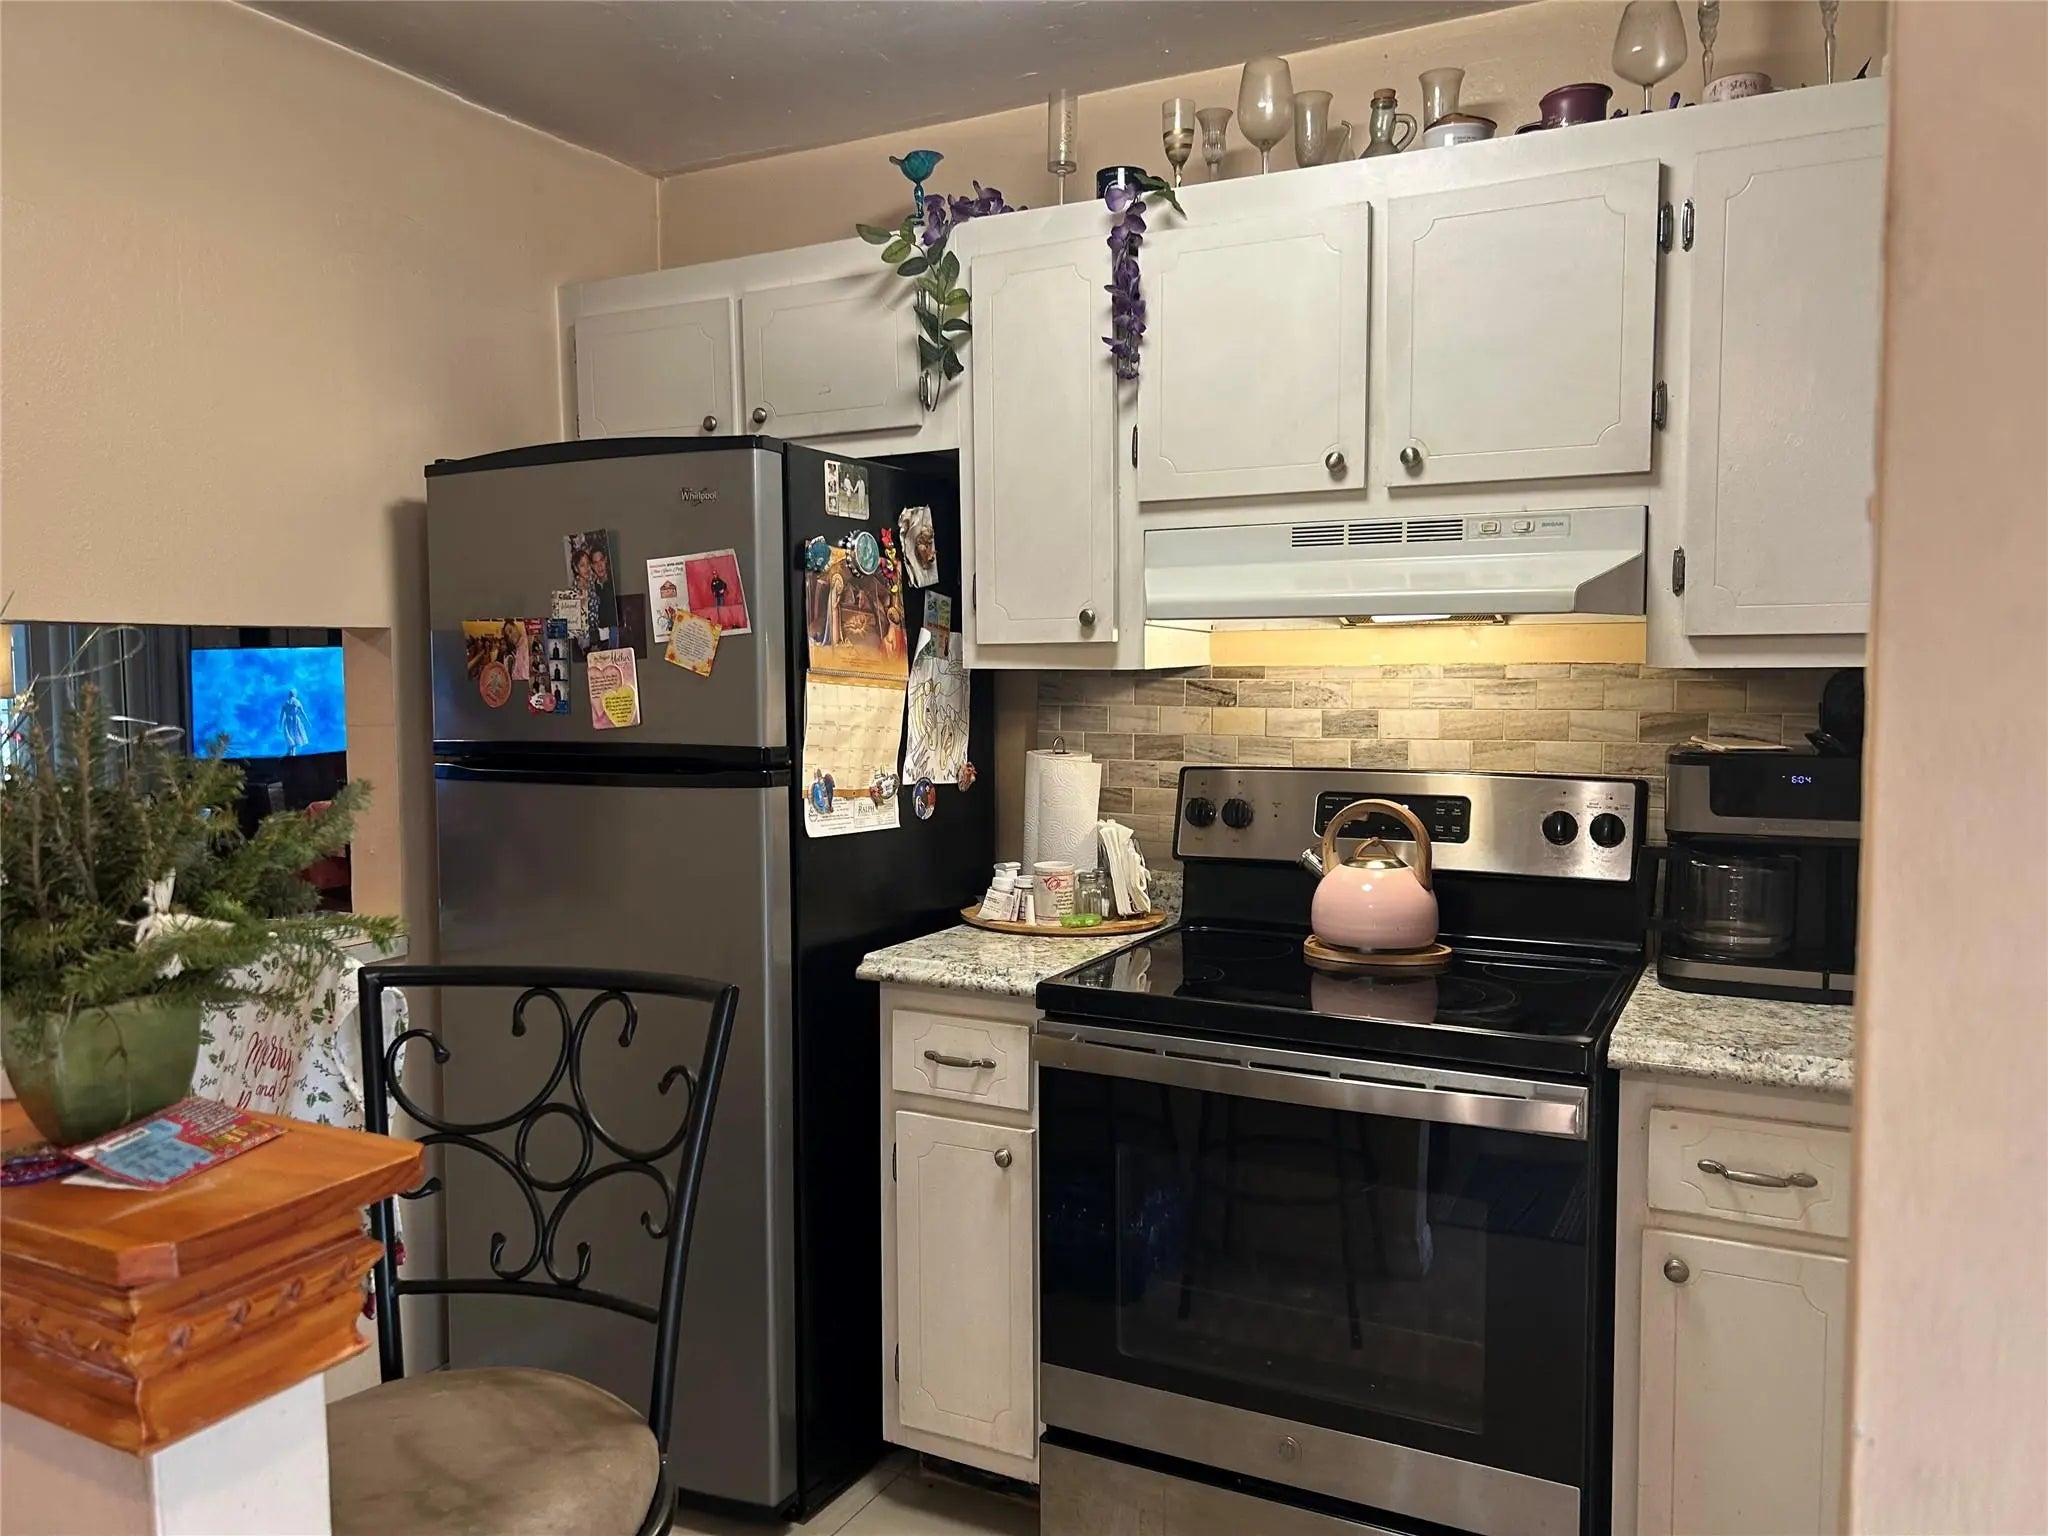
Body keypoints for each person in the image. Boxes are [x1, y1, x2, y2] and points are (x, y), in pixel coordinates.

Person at [278, 689, 309, 756]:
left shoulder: (285, 703)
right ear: (295, 694)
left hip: (288, 720)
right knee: (294, 735)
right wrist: (307, 721)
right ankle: (291, 752)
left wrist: (280, 723)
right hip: (295, 720)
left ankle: (292, 752)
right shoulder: (297, 702)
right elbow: (302, 713)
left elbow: (281, 715)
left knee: (290, 735)